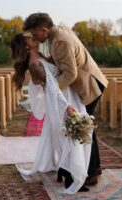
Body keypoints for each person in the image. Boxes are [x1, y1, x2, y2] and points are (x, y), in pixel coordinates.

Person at [23, 13, 108, 185]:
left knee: (83, 126)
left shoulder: (60, 40)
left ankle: (89, 175)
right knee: (87, 125)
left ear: (44, 30)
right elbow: (58, 61)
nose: (34, 36)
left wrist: (53, 91)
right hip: (90, 80)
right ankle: (95, 166)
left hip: (89, 85)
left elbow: (70, 73)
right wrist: (37, 52)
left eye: (35, 33)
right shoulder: (55, 34)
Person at [11, 32, 92, 194]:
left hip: (67, 94)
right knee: (69, 137)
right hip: (60, 101)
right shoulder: (34, 64)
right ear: (26, 45)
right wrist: (67, 106)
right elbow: (52, 88)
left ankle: (64, 170)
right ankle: (71, 179)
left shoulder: (42, 56)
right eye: (27, 36)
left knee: (67, 136)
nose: (31, 35)